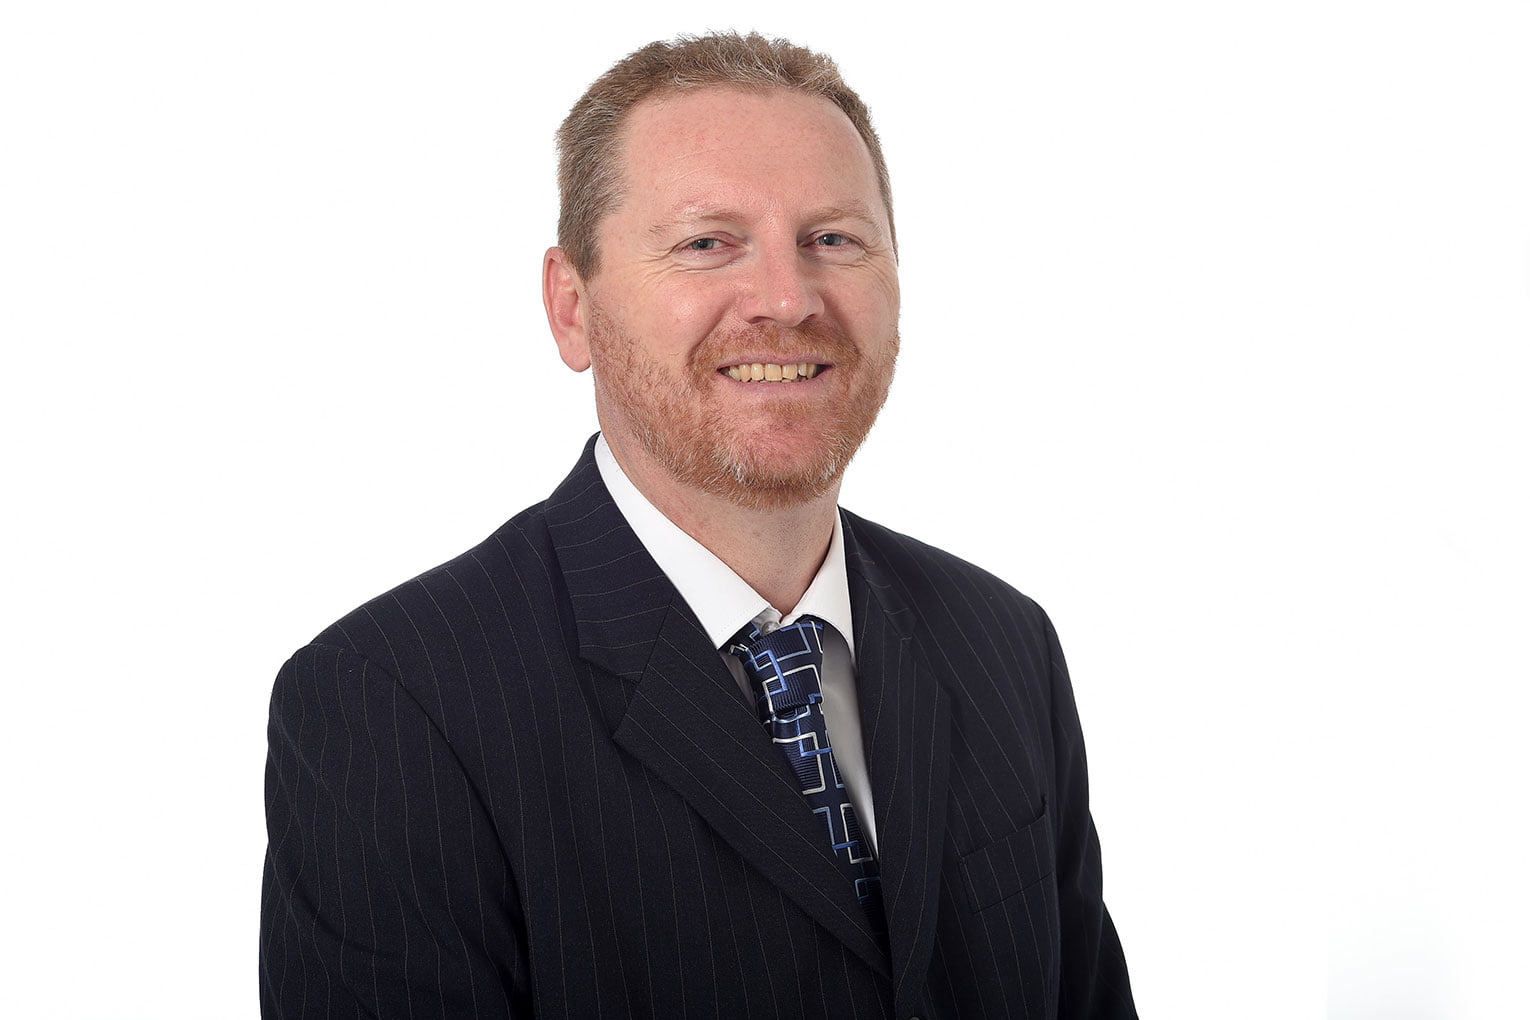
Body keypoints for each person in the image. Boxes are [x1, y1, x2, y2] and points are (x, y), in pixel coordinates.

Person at [260, 31, 1136, 1019]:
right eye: (708, 243)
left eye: (833, 239)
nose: (786, 299)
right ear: (571, 307)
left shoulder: (1004, 641)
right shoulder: (391, 704)